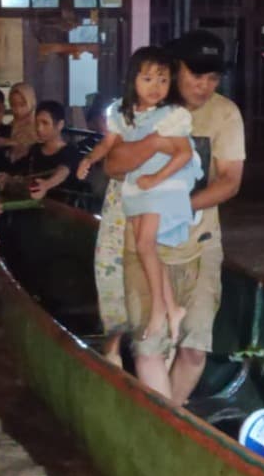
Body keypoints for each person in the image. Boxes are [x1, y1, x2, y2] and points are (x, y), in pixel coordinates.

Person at [102, 30, 245, 405]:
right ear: (174, 69)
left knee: (194, 349)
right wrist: (152, 143)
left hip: (201, 246)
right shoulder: (142, 111)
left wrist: (178, 205)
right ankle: (167, 427)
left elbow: (230, 181)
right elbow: (114, 165)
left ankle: (171, 420)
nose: (204, 85)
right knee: (150, 347)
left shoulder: (225, 113)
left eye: (213, 77)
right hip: (146, 244)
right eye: (196, 75)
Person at [78, 47, 203, 382]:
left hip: (156, 192)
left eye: (162, 80)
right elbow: (111, 156)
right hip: (132, 194)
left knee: (148, 248)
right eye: (147, 78)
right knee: (131, 257)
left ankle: (162, 314)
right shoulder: (125, 115)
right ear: (132, 80)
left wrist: (154, 178)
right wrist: (89, 159)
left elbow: (183, 155)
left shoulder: (171, 116)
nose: (155, 86)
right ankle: (152, 321)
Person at [23, 100, 89, 203]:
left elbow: (63, 171)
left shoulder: (70, 151)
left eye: (45, 123)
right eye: (37, 123)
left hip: (62, 209)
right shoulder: (35, 149)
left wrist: (46, 184)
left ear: (60, 125)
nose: (39, 128)